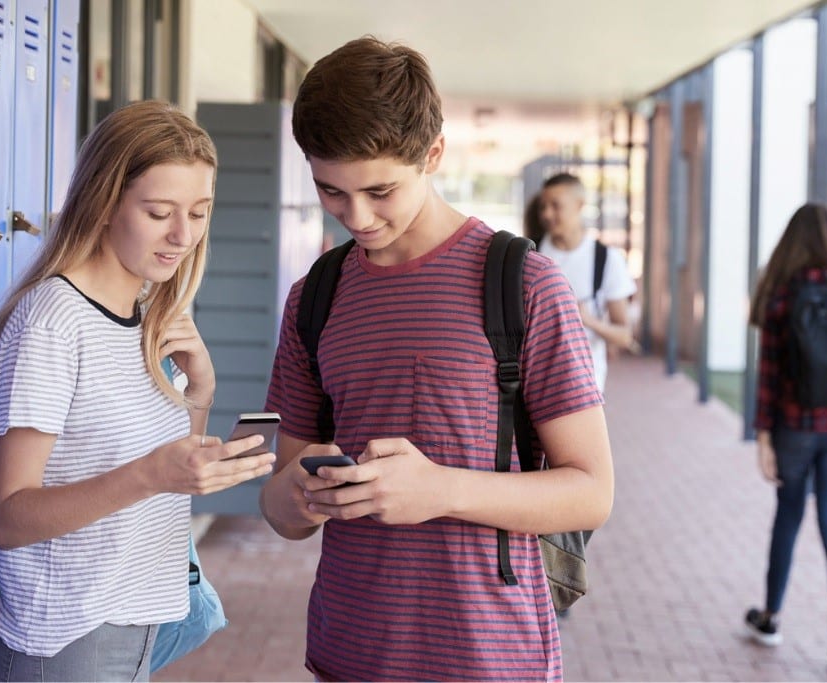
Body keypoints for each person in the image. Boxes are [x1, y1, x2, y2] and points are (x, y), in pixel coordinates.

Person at [259, 37, 615, 682]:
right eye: (331, 191)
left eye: (381, 190)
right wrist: (305, 490)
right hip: (350, 652)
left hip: (491, 656)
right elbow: (282, 514)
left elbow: (592, 492)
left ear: (434, 154)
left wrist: (440, 489)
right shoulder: (314, 296)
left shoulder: (524, 284)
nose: (357, 217)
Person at [0, 100, 275, 682]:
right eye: (159, 211)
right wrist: (149, 474)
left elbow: (168, 473)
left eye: (199, 212)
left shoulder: (145, 314)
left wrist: (201, 395)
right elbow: (7, 517)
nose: (183, 235)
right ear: (105, 202)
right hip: (66, 643)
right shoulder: (53, 324)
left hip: (139, 630)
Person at [743, 202, 827, 677]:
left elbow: (770, 377)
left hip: (794, 428)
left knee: (789, 517)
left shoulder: (781, 298)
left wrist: (763, 437)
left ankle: (772, 617)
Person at [536, 172, 635, 391]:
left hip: (585, 385)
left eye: (556, 205)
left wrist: (588, 320)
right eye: (543, 206)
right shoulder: (530, 254)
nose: (547, 214)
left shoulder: (607, 259)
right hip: (535, 381)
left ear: (580, 205)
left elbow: (624, 336)